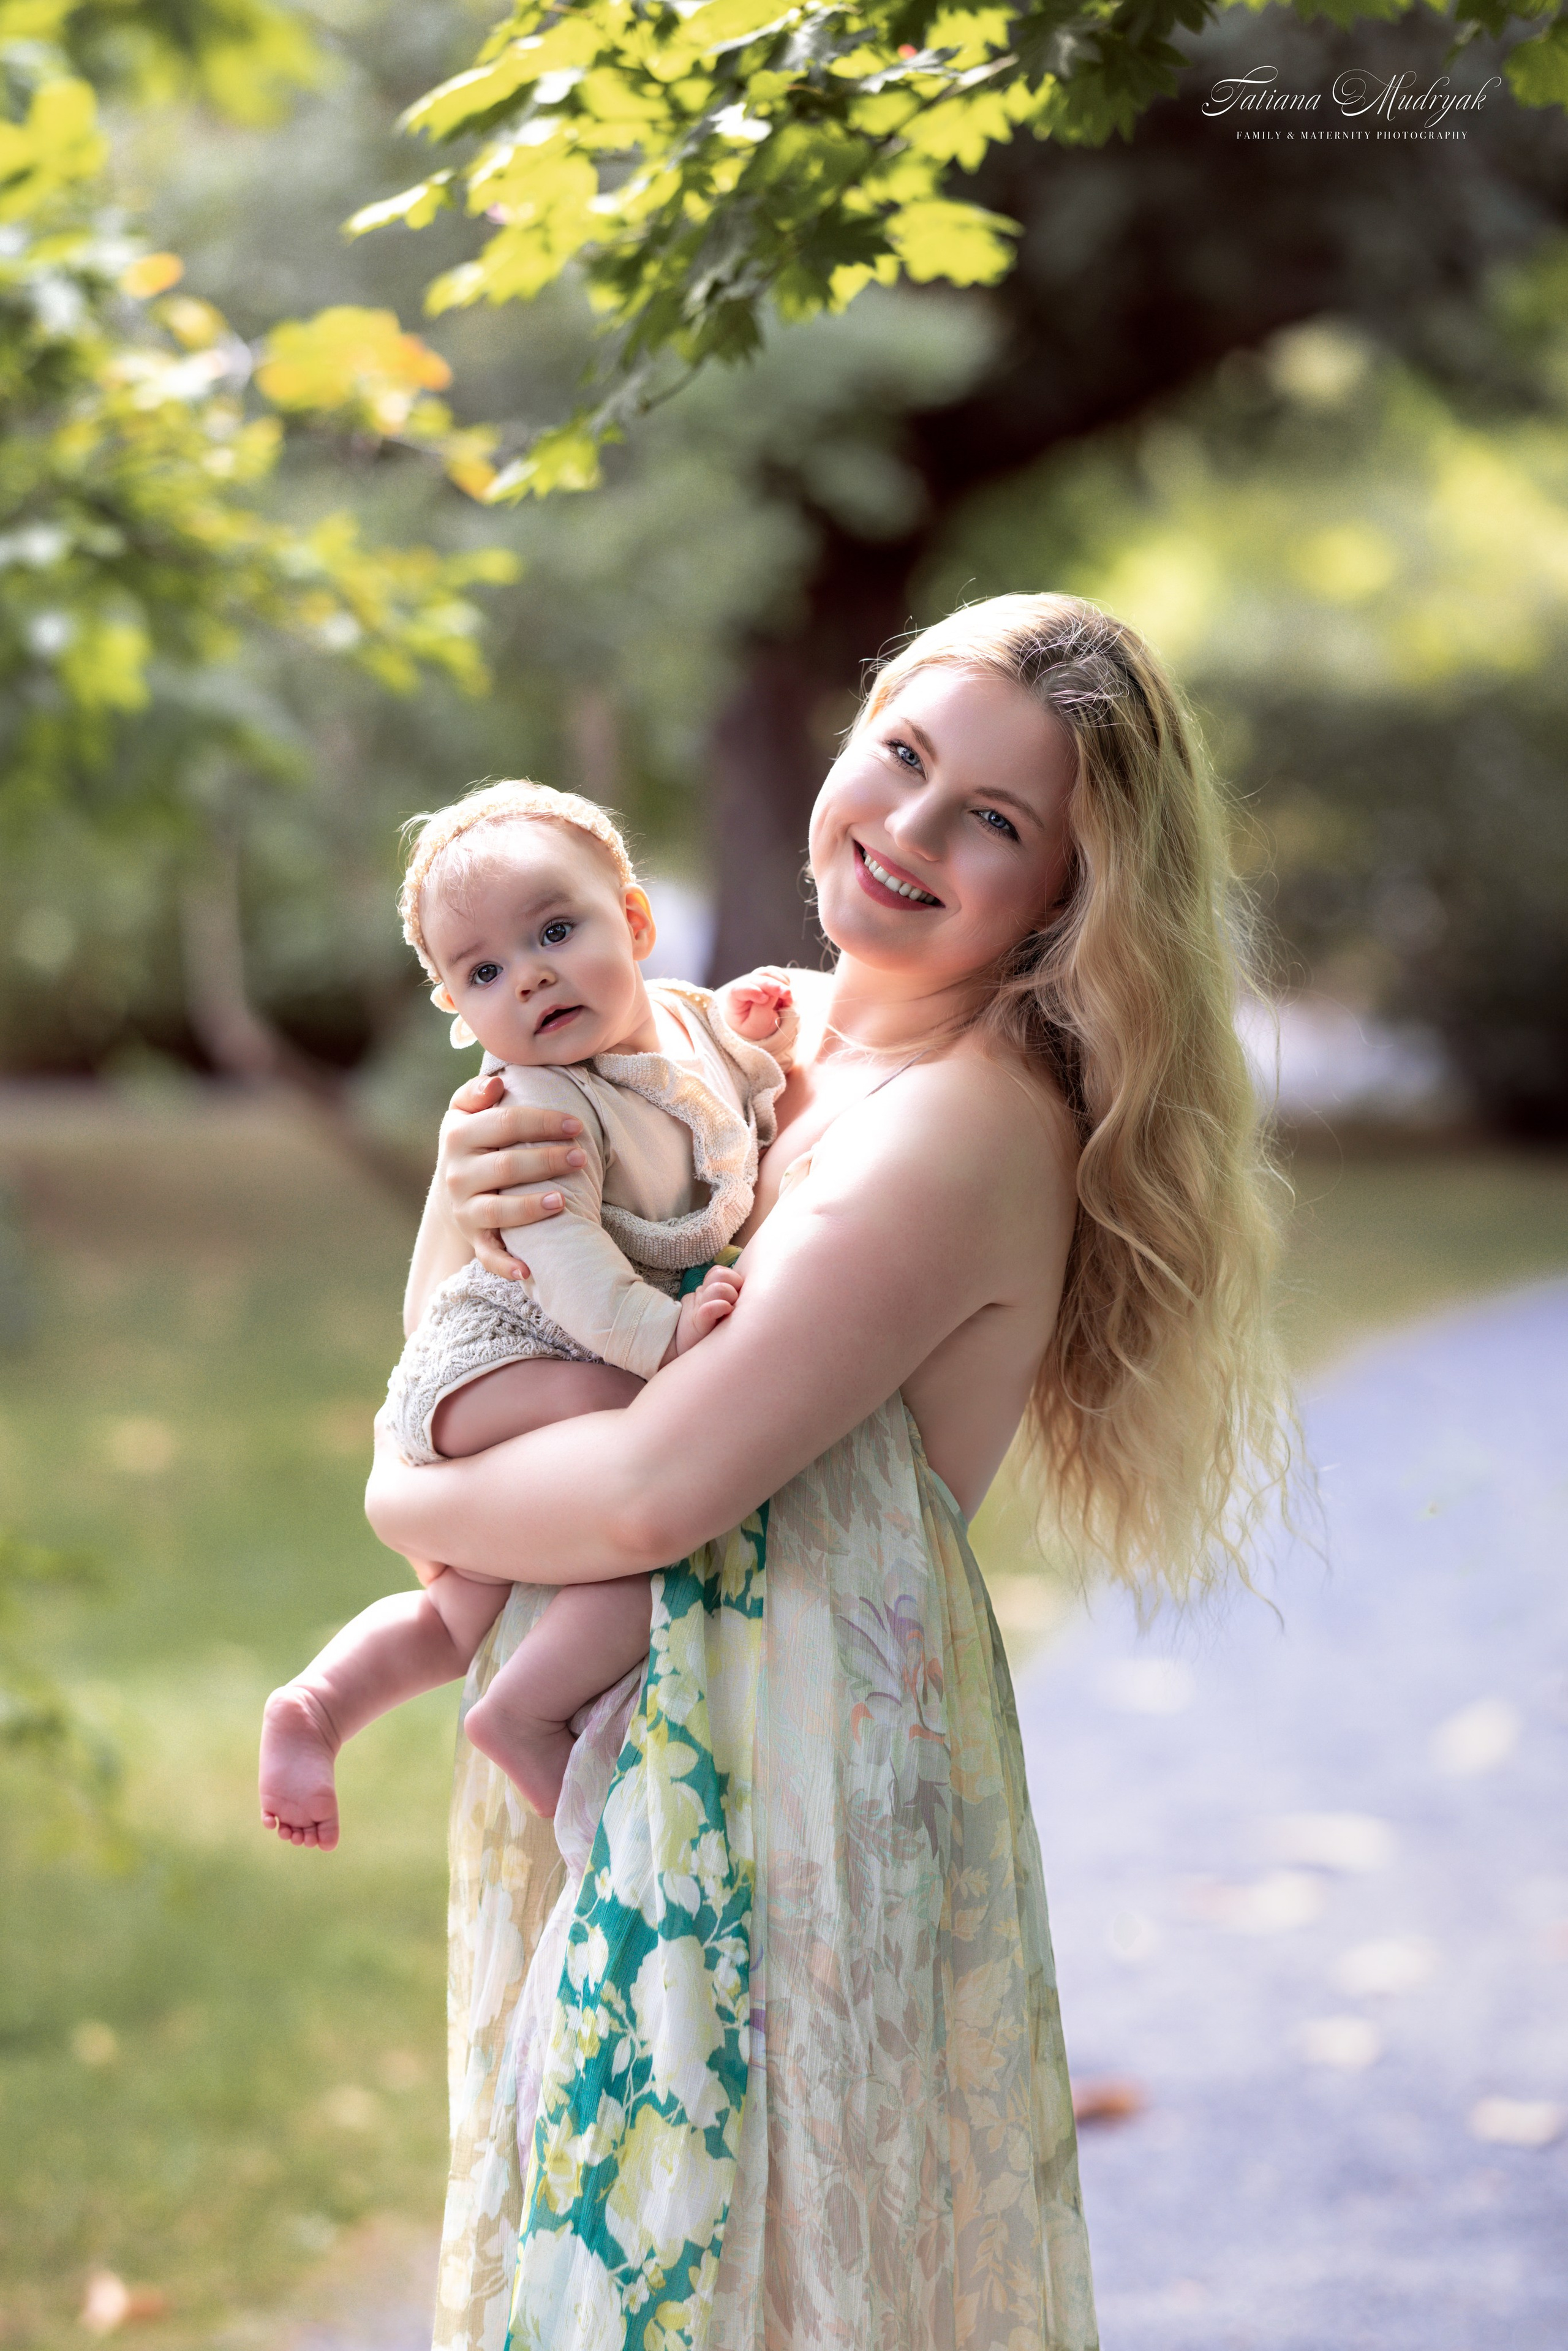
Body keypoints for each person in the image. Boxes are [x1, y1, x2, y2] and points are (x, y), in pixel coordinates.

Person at [365, 594, 1295, 2351]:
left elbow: (650, 1493)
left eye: (997, 823)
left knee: (744, 2290)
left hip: (785, 1803)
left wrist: (401, 1507)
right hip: (656, 1754)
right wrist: (457, 1189)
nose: (913, 830)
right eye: (907, 755)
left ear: (1070, 895)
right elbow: (465, 1344)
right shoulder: (749, 1044)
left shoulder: (957, 1124)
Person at [259, 779, 797, 1839]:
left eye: (557, 929)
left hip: (549, 1360)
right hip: (504, 1355)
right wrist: (666, 1340)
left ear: (634, 922)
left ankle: (323, 1704)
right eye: (487, 971)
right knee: (667, 1457)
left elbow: (717, 1112)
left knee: (467, 1603)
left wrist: (759, 1048)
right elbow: (575, 1273)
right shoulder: (536, 1110)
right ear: (461, 1013)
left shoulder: (684, 1020)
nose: (532, 975)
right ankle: (532, 1712)